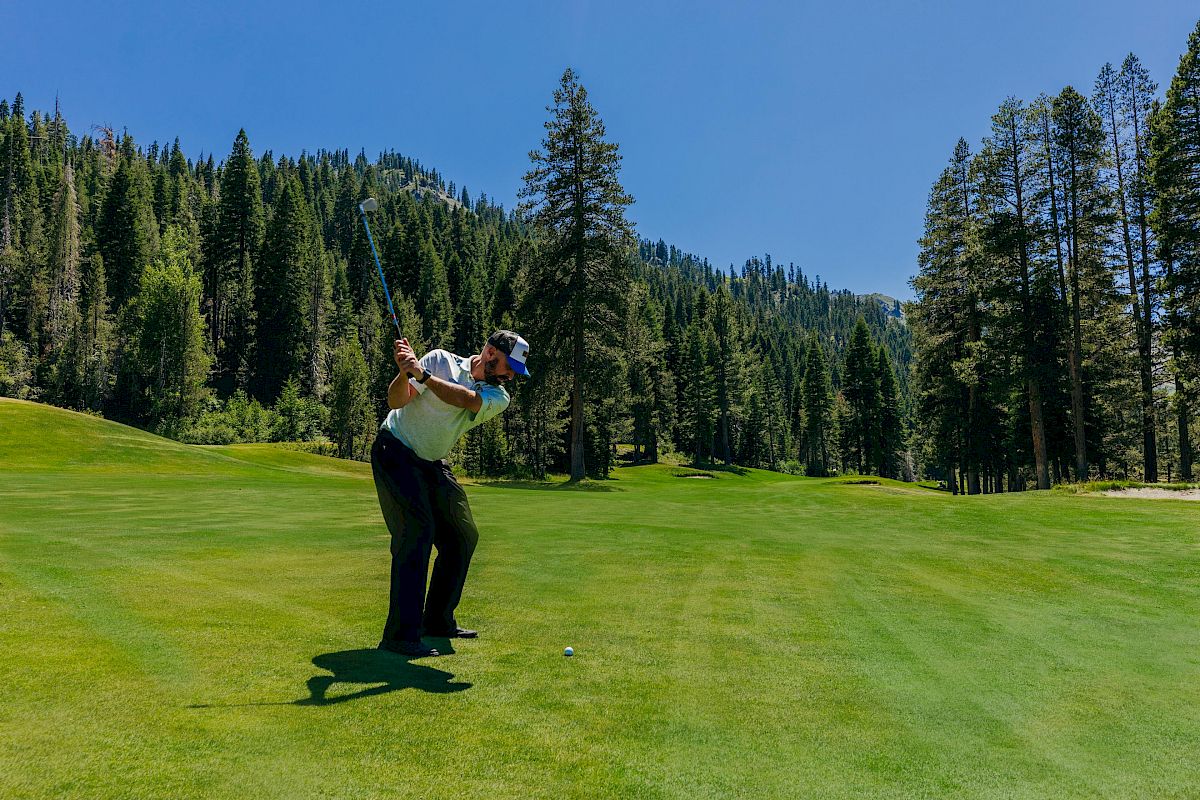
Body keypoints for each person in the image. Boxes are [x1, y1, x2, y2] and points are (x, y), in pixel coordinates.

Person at [371, 329, 530, 658]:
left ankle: (438, 620)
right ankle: (400, 636)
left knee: (462, 535)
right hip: (395, 450)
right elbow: (396, 401)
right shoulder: (440, 359)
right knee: (416, 532)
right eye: (507, 366)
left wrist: (423, 375)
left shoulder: (497, 396)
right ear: (489, 353)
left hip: (431, 461)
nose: (510, 375)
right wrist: (405, 374)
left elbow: (465, 400)